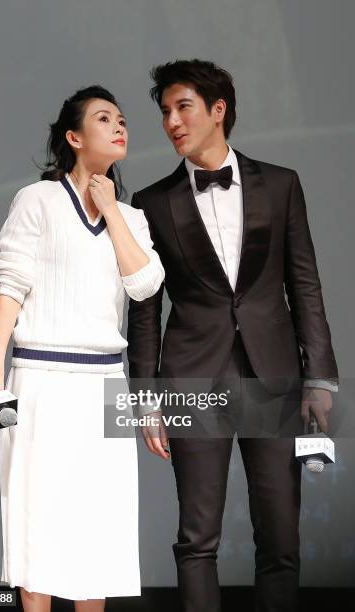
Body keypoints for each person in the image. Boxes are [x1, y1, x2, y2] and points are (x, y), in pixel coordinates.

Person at [127, 59, 338, 612]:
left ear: (218, 110)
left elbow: (305, 285)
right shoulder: (151, 203)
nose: (171, 121)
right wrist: (144, 398)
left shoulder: (282, 184)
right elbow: (145, 310)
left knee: (280, 541)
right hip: (191, 378)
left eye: (183, 108)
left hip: (273, 376)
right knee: (196, 540)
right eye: (164, 112)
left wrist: (320, 378)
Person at [0, 85, 165, 612]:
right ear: (75, 138)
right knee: (39, 518)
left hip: (106, 383)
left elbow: (145, 284)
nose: (120, 126)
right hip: (40, 379)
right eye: (105, 119)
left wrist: (112, 210)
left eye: (123, 119)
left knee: (97, 526)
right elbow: (11, 284)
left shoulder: (134, 218)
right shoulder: (37, 200)